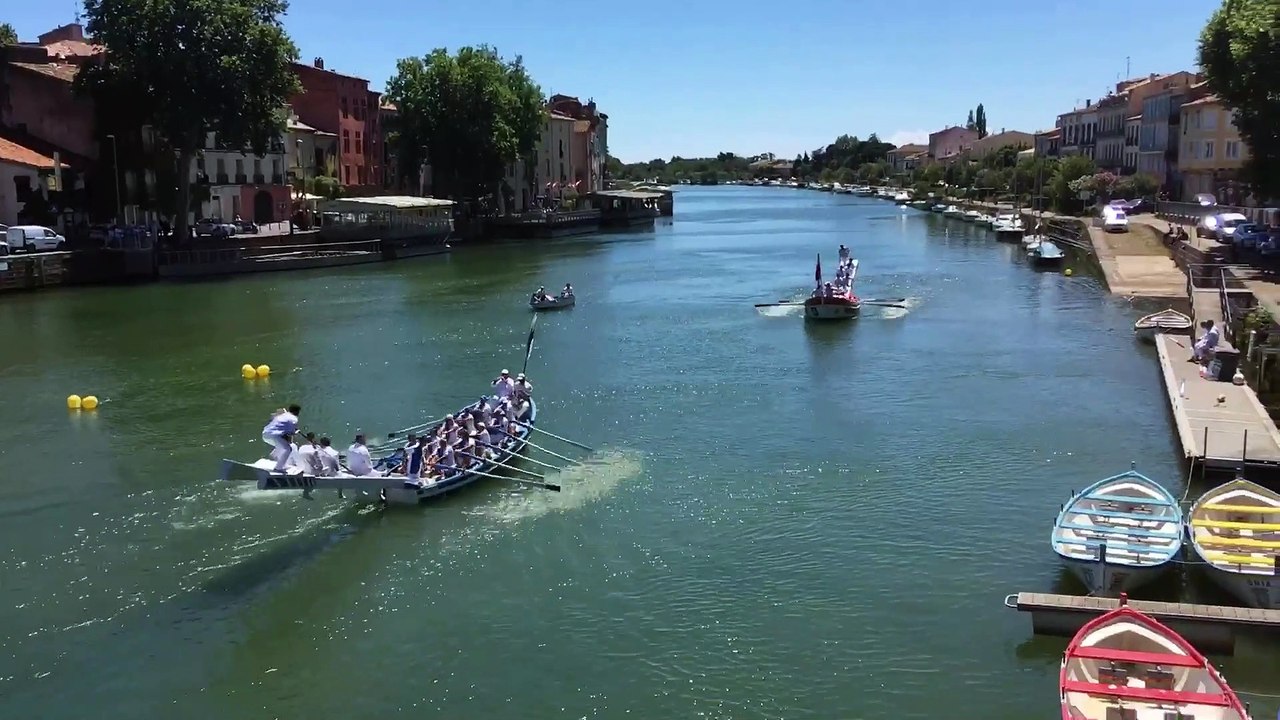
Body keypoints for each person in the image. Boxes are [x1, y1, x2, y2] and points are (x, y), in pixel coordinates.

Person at [262, 403, 301, 471]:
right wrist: (295, 432)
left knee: (283, 447)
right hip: (274, 435)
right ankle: (278, 467)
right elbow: (290, 433)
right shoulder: (294, 419)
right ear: (297, 411)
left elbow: (275, 419)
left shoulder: (283, 415)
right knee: (288, 449)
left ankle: (281, 462)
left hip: (265, 434)